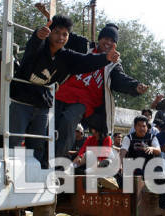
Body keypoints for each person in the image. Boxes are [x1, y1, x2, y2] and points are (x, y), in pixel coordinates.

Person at [9, 16, 120, 168]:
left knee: (38, 143)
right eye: (56, 32)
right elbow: (31, 49)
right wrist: (37, 36)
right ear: (49, 33)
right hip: (22, 100)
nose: (60, 37)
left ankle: (39, 173)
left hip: (42, 104)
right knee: (14, 140)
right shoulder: (39, 47)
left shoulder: (66, 56)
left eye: (65, 34)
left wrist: (105, 58)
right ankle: (9, 172)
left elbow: (85, 61)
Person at [55, 23, 148, 159]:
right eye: (106, 38)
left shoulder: (113, 63)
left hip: (85, 102)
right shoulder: (85, 46)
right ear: (99, 39)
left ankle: (58, 160)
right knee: (49, 122)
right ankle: (41, 158)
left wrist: (135, 86)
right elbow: (65, 34)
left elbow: (120, 79)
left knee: (69, 120)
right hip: (62, 93)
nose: (108, 42)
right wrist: (53, 20)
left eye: (112, 41)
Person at [120, 116, 165, 216]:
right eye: (139, 126)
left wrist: (152, 148)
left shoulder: (152, 137)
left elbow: (158, 150)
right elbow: (123, 151)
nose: (141, 128)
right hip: (135, 167)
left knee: (161, 176)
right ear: (135, 127)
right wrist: (120, 163)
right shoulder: (129, 138)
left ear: (147, 127)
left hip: (149, 168)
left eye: (144, 126)